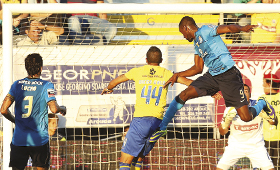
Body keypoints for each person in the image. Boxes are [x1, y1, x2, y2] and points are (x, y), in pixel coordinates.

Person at [149, 16, 275, 143]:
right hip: (213, 76)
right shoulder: (196, 44)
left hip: (229, 75)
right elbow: (197, 68)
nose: (183, 36)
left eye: (182, 33)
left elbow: (228, 28)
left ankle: (262, 103)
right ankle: (162, 127)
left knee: (246, 117)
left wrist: (242, 28)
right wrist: (177, 74)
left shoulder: (205, 30)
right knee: (184, 94)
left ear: (185, 28)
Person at [101, 46, 210, 170]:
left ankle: (150, 140)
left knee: (124, 163)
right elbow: (188, 82)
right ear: (161, 60)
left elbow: (116, 81)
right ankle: (152, 138)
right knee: (138, 156)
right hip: (157, 120)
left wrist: (109, 88)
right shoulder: (167, 74)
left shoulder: (137, 71)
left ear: (146, 60)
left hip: (141, 120)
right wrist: (210, 90)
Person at [0, 53, 66, 170]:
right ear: (41, 68)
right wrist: (62, 108)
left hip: (19, 139)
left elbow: (4, 110)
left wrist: (15, 120)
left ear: (26, 68)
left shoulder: (16, 85)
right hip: (39, 140)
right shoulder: (46, 85)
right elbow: (54, 109)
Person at [216, 84, 277, 170]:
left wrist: (268, 117)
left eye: (246, 91)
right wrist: (226, 123)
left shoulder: (257, 106)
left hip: (256, 147)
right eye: (241, 92)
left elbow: (273, 122)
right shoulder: (230, 108)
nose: (244, 94)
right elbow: (222, 132)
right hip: (235, 146)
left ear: (250, 94)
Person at [262, 74, 280, 170]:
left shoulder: (262, 100)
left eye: (264, 82)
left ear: (269, 84)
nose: (262, 85)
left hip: (267, 139)